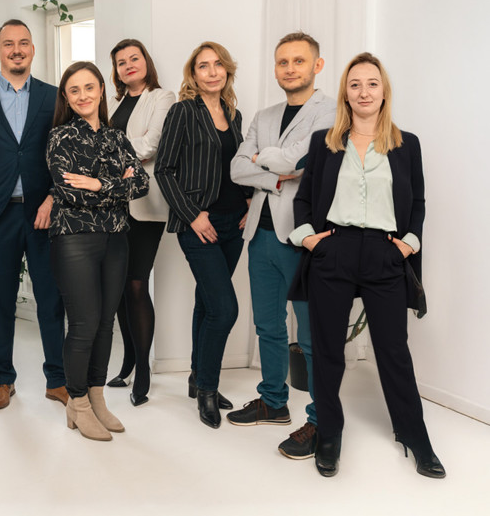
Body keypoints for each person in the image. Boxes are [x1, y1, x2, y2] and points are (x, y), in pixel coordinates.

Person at [289, 52, 444, 479]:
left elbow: (417, 202)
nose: (363, 92)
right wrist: (308, 238)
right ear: (345, 93)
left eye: (372, 83)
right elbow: (304, 198)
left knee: (393, 351)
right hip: (333, 251)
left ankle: (416, 437)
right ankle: (329, 434)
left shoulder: (406, 143)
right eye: (355, 84)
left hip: (384, 253)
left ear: (384, 91)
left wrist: (408, 245)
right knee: (327, 351)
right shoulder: (324, 142)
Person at [228, 32, 334, 459]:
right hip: (261, 234)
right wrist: (272, 174)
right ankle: (273, 401)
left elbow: (297, 160)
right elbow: (238, 168)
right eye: (283, 62)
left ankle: (320, 420)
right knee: (268, 326)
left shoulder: (330, 110)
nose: (290, 69)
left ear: (317, 66)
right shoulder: (264, 114)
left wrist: (264, 159)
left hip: (303, 238)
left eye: (298, 61)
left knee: (310, 337)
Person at [0, 19, 68, 409]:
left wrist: (54, 198)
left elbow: (66, 156)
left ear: (33, 50)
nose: (16, 50)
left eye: (23, 43)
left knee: (50, 298)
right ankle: (2, 379)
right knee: (1, 299)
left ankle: (57, 379)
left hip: (44, 214)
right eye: (8, 44)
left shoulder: (54, 97)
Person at [48, 62, 149, 441]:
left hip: (116, 239)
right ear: (66, 97)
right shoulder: (60, 138)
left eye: (89, 87)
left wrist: (95, 184)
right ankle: (77, 404)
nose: (83, 96)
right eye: (74, 90)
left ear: (102, 90)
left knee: (106, 323)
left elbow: (142, 184)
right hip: (74, 239)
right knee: (84, 324)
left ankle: (96, 397)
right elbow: (69, 192)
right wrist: (114, 185)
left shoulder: (117, 137)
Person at [156, 41, 250, 429]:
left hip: (234, 224)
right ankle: (208, 391)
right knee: (225, 309)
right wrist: (192, 215)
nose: (212, 72)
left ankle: (198, 377)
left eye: (218, 65)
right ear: (193, 74)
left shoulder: (234, 114)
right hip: (200, 225)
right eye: (203, 66)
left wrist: (249, 201)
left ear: (227, 70)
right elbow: (164, 170)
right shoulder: (183, 111)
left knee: (208, 302)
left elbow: (237, 166)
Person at [104, 39, 175, 406]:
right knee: (118, 286)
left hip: (146, 206)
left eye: (134, 58)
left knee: (135, 283)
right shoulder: (114, 104)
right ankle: (129, 359)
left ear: (146, 62)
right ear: (116, 71)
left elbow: (152, 144)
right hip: (113, 207)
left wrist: (109, 154)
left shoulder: (162, 98)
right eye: (121, 62)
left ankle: (144, 369)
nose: (128, 65)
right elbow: (123, 146)